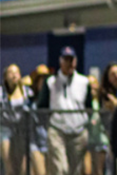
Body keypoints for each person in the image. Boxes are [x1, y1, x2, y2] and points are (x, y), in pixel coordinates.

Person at [37, 47, 92, 175]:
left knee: (75, 170)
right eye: (66, 60)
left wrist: (86, 124)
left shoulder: (84, 82)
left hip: (78, 131)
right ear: (61, 61)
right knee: (60, 169)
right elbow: (42, 106)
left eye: (72, 60)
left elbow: (89, 106)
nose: (70, 63)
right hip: (57, 130)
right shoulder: (50, 82)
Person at [1, 64, 35, 175]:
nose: (14, 75)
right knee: (8, 163)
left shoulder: (26, 92)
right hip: (5, 128)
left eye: (16, 72)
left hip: (21, 129)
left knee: (23, 166)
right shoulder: (1, 93)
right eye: (11, 72)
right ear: (5, 77)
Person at [84, 76, 108, 175]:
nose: (92, 87)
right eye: (90, 85)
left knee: (99, 171)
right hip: (86, 141)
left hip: (100, 140)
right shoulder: (84, 103)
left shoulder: (102, 102)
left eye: (94, 84)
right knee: (87, 171)